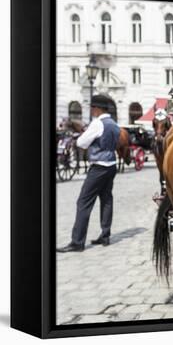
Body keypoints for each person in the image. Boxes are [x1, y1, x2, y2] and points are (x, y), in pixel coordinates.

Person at [57, 95, 120, 253]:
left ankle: (77, 241)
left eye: (92, 108)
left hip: (98, 166)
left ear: (97, 108)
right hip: (111, 164)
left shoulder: (98, 123)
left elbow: (81, 142)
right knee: (106, 199)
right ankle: (105, 235)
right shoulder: (113, 123)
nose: (91, 110)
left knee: (83, 202)